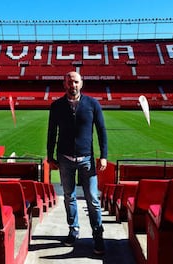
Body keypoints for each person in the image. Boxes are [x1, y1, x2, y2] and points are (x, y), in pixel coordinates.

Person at [47, 71, 108, 255]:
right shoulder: (56, 106)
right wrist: (50, 157)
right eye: (69, 82)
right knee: (69, 196)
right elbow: (51, 133)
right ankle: (73, 230)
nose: (72, 85)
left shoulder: (92, 104)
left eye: (75, 82)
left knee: (93, 199)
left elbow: (101, 130)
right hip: (65, 159)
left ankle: (98, 234)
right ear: (64, 84)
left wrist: (103, 155)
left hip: (87, 160)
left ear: (81, 84)